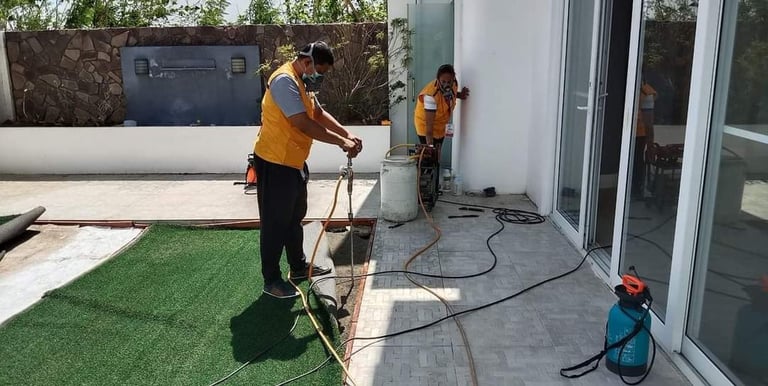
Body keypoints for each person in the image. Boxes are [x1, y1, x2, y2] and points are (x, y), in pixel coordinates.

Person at [253, 41, 363, 298]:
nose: (320, 77)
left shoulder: (302, 82)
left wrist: (347, 133)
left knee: (294, 217)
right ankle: (271, 281)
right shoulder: (284, 81)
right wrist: (341, 142)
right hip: (274, 162)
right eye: (320, 71)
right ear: (306, 62)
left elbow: (317, 113)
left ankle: (298, 266)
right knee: (275, 223)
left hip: (292, 162)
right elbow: (302, 123)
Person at [413, 64, 469, 191]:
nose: (447, 84)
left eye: (449, 81)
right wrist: (430, 146)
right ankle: (423, 188)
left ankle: (433, 186)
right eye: (443, 81)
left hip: (441, 123)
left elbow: (452, 94)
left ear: (453, 78)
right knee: (428, 156)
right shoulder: (430, 96)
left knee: (437, 155)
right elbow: (429, 127)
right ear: (437, 79)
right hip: (425, 124)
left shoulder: (454, 83)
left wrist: (460, 95)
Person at [632, 79, 656, 199]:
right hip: (628, 132)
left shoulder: (646, 93)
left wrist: (650, 145)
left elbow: (649, 122)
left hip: (639, 134)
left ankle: (636, 190)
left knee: (636, 162)